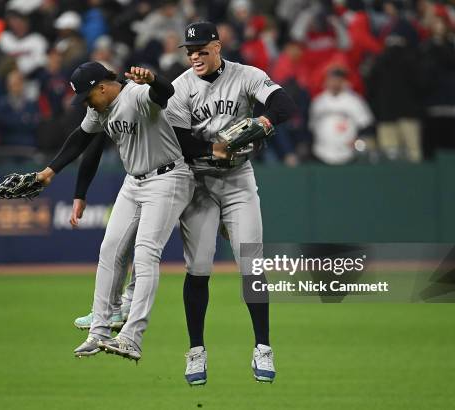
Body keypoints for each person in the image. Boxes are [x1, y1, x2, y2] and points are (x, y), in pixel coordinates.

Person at [33, 61, 196, 361]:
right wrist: (49, 171)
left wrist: (154, 79)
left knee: (146, 254)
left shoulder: (135, 95)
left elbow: (165, 92)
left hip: (169, 177)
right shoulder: (99, 109)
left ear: (103, 87)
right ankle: (99, 331)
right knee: (110, 250)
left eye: (87, 96)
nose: (86, 104)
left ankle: (132, 337)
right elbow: (80, 140)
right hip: (133, 181)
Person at [167, 21, 293, 384]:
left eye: (202, 49)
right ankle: (196, 352)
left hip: (238, 178)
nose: (195, 56)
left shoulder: (246, 75)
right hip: (199, 181)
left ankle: (263, 348)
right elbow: (177, 140)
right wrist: (213, 148)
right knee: (200, 268)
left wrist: (265, 121)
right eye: (190, 51)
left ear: (218, 46)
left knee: (252, 265)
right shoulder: (181, 87)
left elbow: (284, 103)